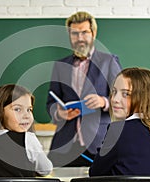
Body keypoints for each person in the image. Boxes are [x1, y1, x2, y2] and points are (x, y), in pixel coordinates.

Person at [46, 11, 122, 167]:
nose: (79, 38)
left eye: (84, 32)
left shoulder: (109, 61)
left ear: (93, 33)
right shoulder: (60, 65)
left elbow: (123, 98)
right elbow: (50, 102)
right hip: (65, 142)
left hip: (99, 141)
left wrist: (104, 101)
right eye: (74, 33)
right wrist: (59, 113)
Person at [0, 84, 53, 182]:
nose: (26, 115)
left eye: (29, 109)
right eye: (17, 109)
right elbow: (46, 169)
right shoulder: (27, 138)